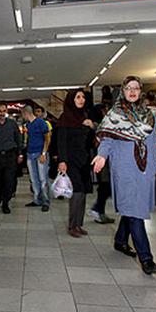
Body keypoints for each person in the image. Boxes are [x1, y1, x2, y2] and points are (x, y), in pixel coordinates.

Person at [92, 76, 156, 275]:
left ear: (141, 91)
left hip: (144, 169)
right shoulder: (115, 114)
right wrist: (102, 156)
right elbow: (106, 140)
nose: (132, 91)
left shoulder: (149, 115)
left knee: (133, 209)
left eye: (136, 88)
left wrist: (155, 165)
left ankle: (121, 240)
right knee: (135, 212)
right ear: (122, 90)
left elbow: (153, 142)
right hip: (123, 169)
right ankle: (146, 258)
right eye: (129, 88)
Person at [57, 90, 94, 237]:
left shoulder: (84, 117)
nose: (81, 100)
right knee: (77, 191)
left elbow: (89, 141)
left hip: (84, 160)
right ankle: (72, 225)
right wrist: (62, 160)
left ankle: (79, 224)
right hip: (70, 160)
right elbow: (61, 142)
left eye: (83, 97)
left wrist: (91, 126)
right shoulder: (65, 118)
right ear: (71, 100)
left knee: (83, 191)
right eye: (78, 97)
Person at [87, 86, 116, 224]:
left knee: (106, 185)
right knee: (105, 184)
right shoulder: (97, 126)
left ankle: (99, 209)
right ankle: (98, 209)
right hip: (101, 159)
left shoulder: (99, 125)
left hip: (104, 159)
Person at [21, 105, 51, 212]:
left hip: (40, 153)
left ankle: (46, 201)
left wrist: (44, 153)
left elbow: (47, 138)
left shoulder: (41, 123)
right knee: (34, 179)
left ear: (25, 113)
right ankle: (37, 199)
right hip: (30, 154)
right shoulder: (28, 125)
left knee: (43, 179)